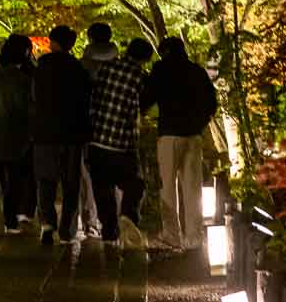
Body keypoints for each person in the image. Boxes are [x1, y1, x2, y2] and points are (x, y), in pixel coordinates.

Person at [141, 36, 218, 251]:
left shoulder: (161, 70)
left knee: (168, 186)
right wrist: (200, 123)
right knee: (193, 188)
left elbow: (146, 98)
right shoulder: (197, 71)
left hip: (169, 134)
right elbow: (212, 103)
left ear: (164, 52)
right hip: (193, 135)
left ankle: (172, 235)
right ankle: (194, 237)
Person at [87, 37, 154, 247]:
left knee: (102, 188)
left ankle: (108, 232)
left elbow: (93, 95)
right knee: (135, 184)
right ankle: (127, 216)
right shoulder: (140, 77)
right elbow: (144, 105)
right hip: (123, 144)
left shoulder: (106, 69)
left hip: (97, 140)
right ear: (144, 59)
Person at [30, 24, 92, 246]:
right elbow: (86, 100)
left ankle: (48, 223)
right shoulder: (79, 69)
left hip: (45, 132)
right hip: (72, 134)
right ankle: (67, 228)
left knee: (45, 179)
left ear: (52, 42)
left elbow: (34, 98)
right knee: (70, 182)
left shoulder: (41, 67)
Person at [0, 34, 35, 233]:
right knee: (13, 181)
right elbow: (30, 110)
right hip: (16, 139)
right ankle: (11, 222)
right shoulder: (25, 81)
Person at [76, 22, 120, 236]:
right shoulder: (120, 66)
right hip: (117, 128)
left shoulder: (80, 67)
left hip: (88, 128)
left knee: (89, 177)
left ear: (90, 39)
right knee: (115, 176)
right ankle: (115, 221)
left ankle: (91, 222)